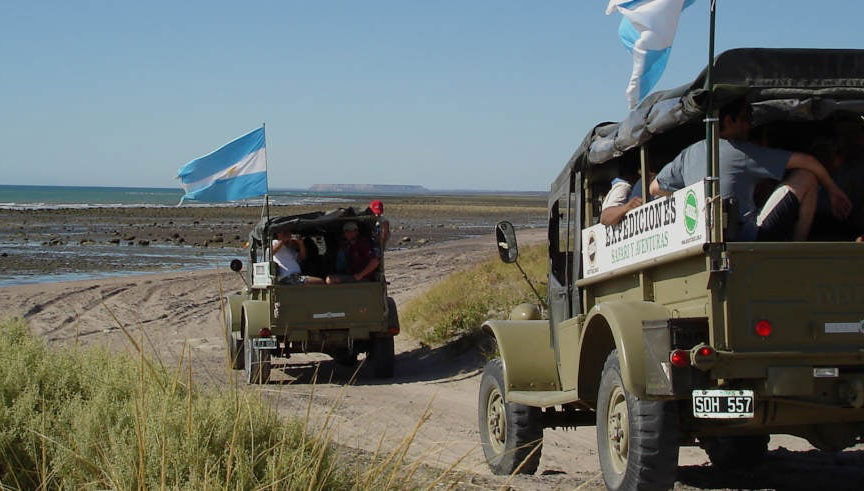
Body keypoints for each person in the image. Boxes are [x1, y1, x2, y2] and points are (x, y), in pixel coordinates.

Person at [649, 99, 852, 241]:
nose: (750, 125)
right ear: (729, 121)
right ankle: (798, 248)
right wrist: (833, 190)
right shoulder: (742, 152)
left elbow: (655, 187)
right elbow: (807, 161)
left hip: (703, 236)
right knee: (807, 177)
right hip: (747, 236)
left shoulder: (690, 153)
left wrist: (696, 198)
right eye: (746, 117)